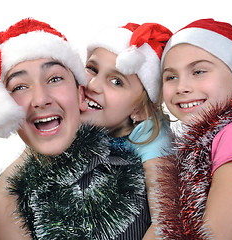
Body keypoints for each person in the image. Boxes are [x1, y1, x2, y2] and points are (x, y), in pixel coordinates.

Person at [0, 18, 149, 239]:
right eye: (20, 87)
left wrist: (2, 218)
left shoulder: (128, 187)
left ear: (79, 94)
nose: (40, 99)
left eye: (54, 78)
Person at [156, 18, 232, 239]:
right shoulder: (195, 152)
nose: (182, 87)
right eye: (171, 77)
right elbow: (163, 229)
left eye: (198, 71)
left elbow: (217, 235)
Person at [81, 22, 172, 239]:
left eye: (116, 81)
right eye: (92, 69)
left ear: (140, 110)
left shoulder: (152, 136)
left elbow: (166, 218)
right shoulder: (72, 122)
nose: (93, 84)